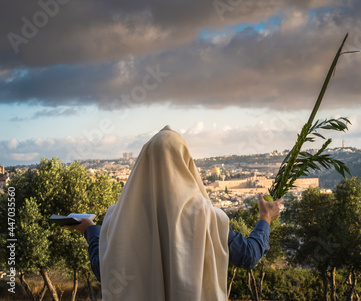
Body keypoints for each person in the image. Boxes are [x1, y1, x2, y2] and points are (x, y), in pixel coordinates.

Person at [66, 125, 283, 301]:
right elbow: (248, 256)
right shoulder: (206, 217)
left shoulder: (118, 217)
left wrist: (91, 230)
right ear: (186, 163)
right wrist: (265, 219)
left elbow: (104, 271)